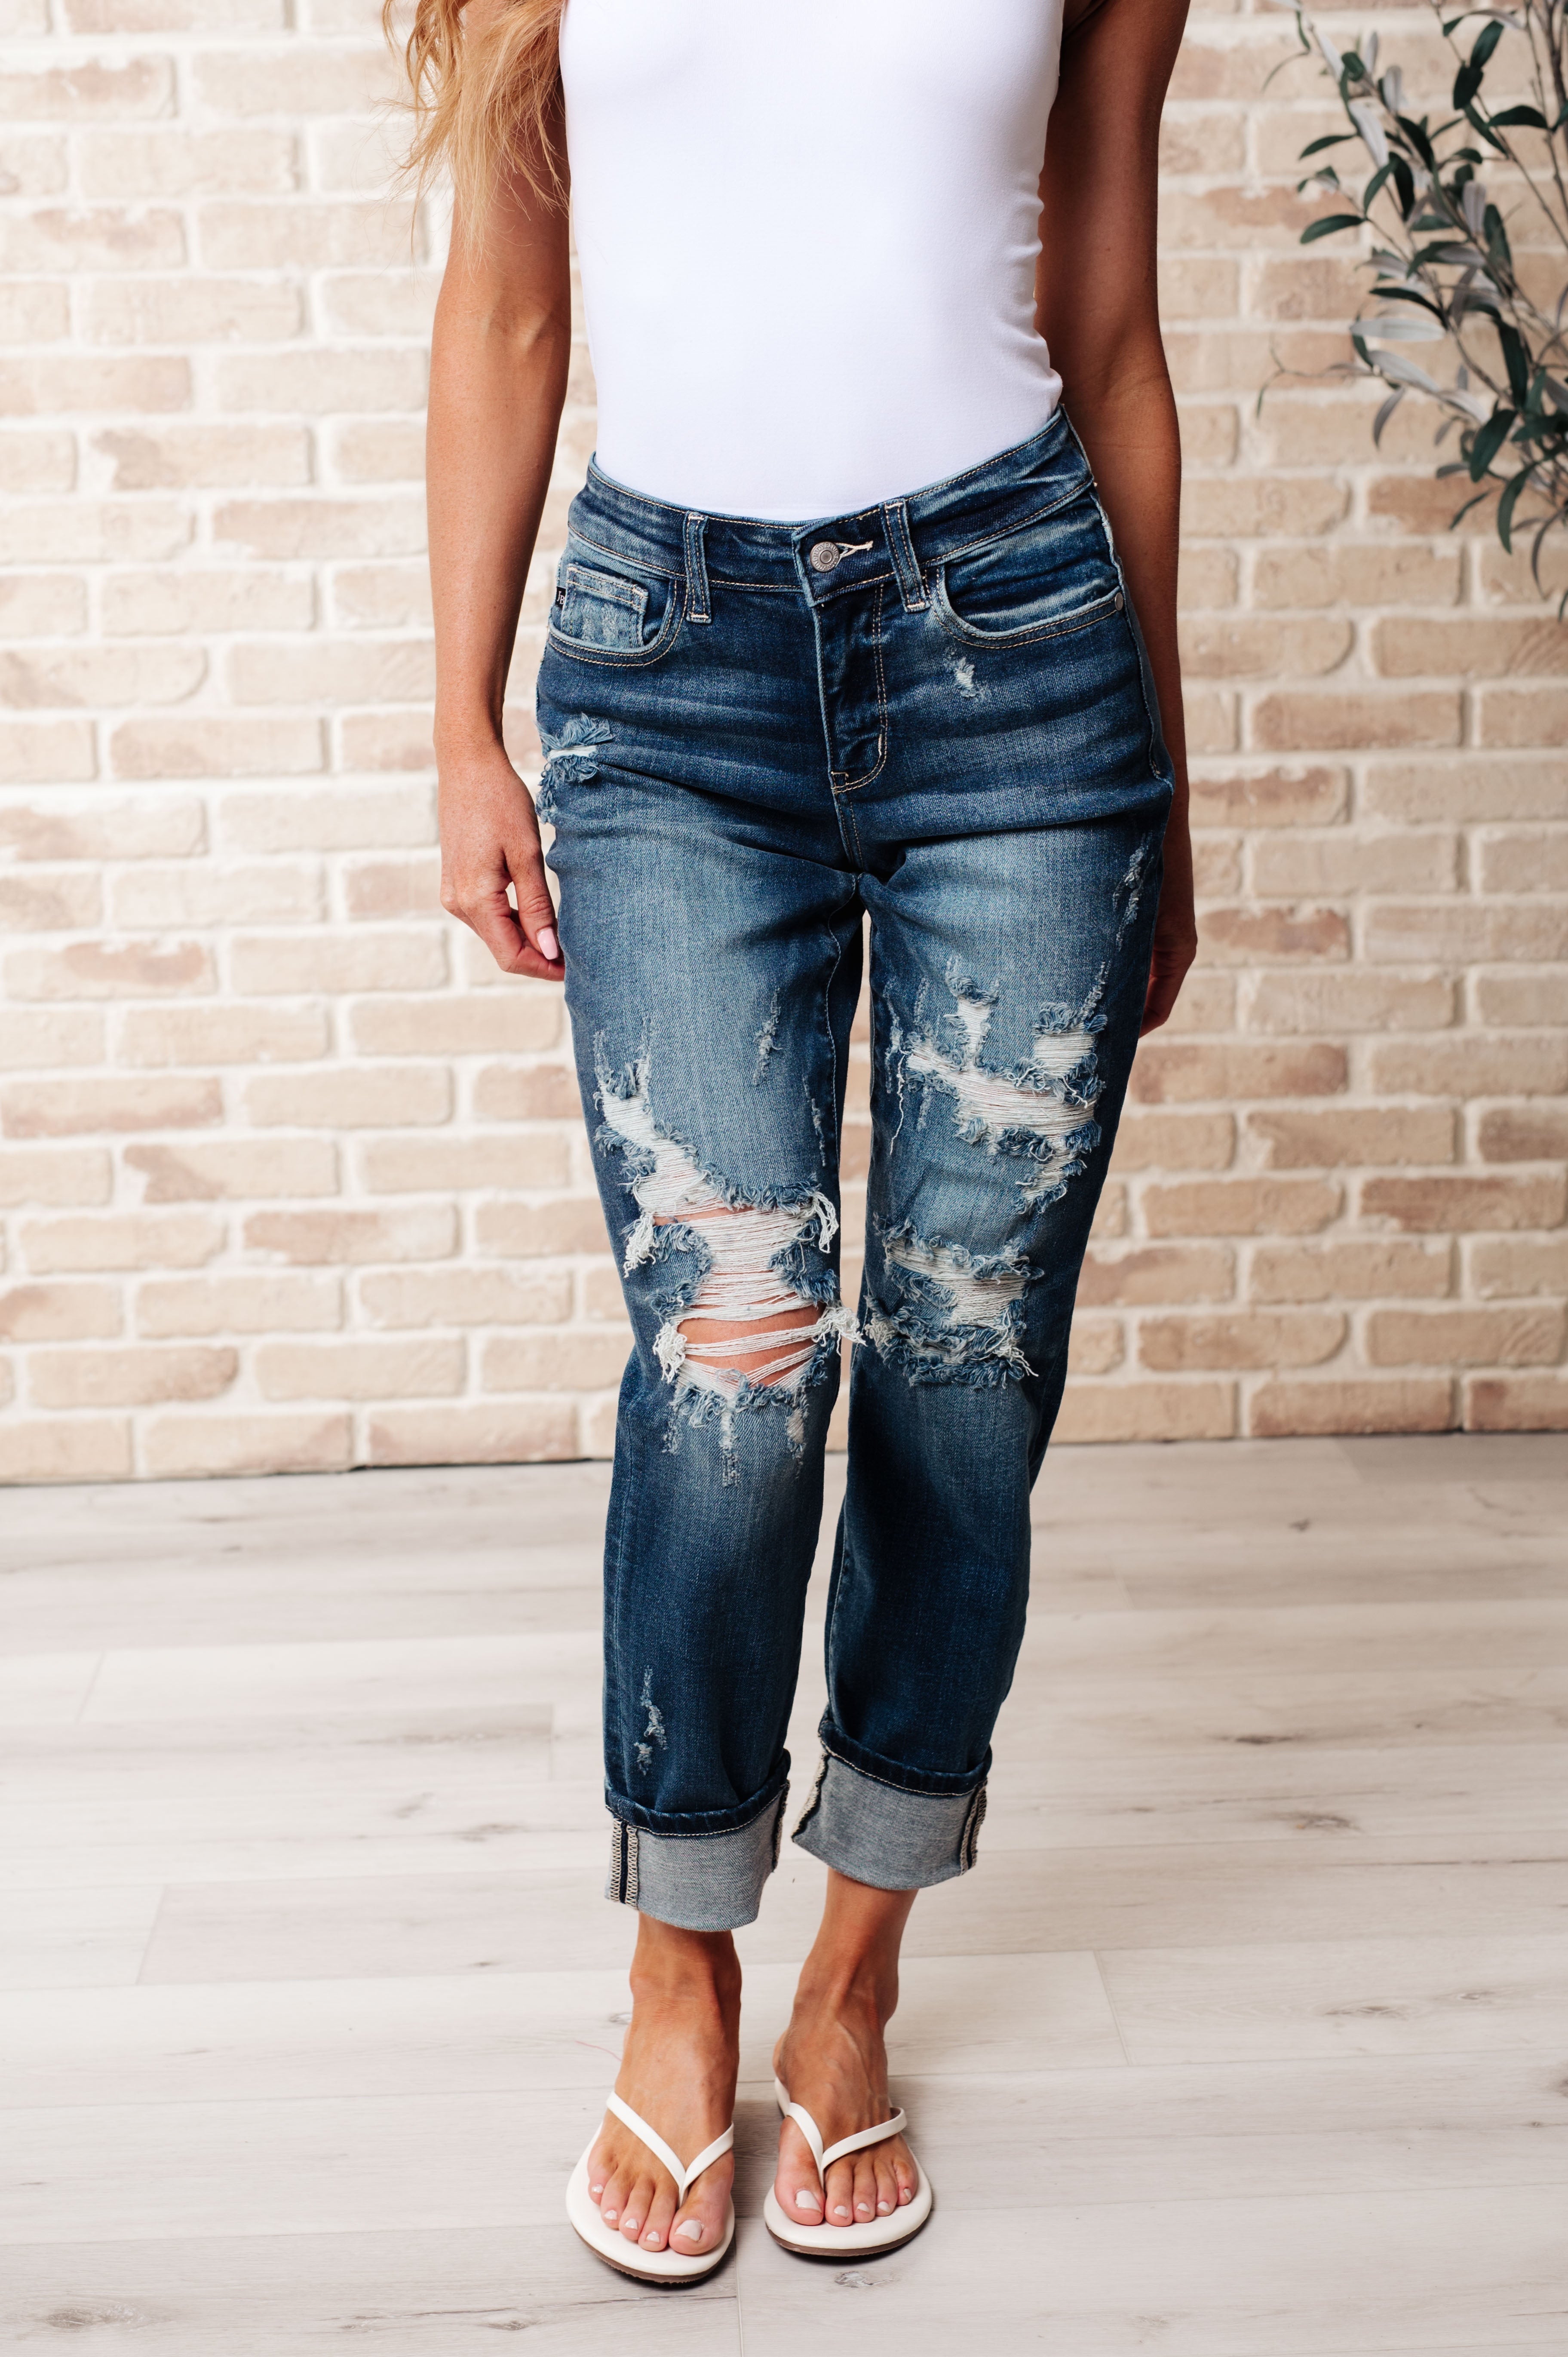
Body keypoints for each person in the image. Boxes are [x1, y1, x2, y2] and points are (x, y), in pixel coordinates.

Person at [393, 0, 1196, 2282]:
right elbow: (513, 293)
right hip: (672, 667)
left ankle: (853, 1981)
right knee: (733, 1367)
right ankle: (680, 1963)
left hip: (1023, 667)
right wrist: (460, 728)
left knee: (962, 1370)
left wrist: (1174, 782)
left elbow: (1115, 328)